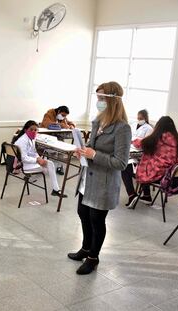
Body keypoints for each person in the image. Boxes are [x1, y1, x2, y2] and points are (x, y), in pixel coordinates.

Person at [67, 81, 131, 275]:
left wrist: (94, 155)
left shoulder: (122, 128)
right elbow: (91, 145)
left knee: (96, 220)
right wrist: (82, 150)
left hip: (103, 182)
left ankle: (93, 258)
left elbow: (121, 162)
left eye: (101, 98)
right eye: (97, 98)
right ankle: (85, 248)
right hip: (88, 178)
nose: (98, 102)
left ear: (112, 100)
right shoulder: (97, 122)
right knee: (83, 214)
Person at [133, 116, 178, 202]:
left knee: (139, 167)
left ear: (159, 126)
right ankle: (146, 195)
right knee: (147, 164)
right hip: (172, 174)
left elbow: (141, 144)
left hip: (160, 174)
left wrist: (133, 140)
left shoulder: (158, 138)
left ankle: (139, 195)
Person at [14, 120, 67, 198]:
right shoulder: (23, 141)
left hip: (25, 163)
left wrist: (38, 158)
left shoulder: (30, 138)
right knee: (49, 166)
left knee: (48, 165)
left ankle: (55, 189)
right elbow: (23, 158)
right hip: (23, 165)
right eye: (31, 129)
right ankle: (56, 189)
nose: (34, 131)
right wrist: (37, 160)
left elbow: (33, 152)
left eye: (35, 130)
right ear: (25, 130)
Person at [121, 109, 154, 206]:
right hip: (131, 150)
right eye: (138, 118)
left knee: (126, 167)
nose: (139, 120)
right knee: (126, 164)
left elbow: (146, 145)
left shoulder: (149, 129)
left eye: (141, 118)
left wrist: (136, 143)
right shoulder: (133, 125)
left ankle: (132, 194)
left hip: (140, 154)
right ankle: (145, 195)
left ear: (145, 118)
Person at [41, 106, 75, 175]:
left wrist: (72, 126)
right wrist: (62, 125)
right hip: (47, 136)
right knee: (53, 150)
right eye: (63, 115)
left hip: (56, 136)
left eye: (65, 116)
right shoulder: (49, 114)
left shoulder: (62, 117)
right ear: (59, 111)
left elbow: (69, 122)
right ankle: (53, 166)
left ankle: (60, 166)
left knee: (62, 148)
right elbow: (47, 124)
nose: (63, 117)